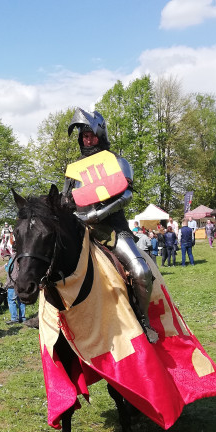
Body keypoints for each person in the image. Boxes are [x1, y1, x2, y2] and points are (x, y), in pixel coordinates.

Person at [62, 107, 158, 343]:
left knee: (140, 271)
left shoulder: (116, 161)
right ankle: (54, 317)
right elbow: (67, 200)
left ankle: (143, 320)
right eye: (83, 136)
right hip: (79, 228)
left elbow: (125, 196)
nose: (87, 139)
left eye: (91, 135)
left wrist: (96, 214)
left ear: (100, 135)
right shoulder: (74, 170)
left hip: (112, 229)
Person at [4, 256, 26, 324]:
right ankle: (22, 318)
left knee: (11, 301)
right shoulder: (22, 257)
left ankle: (14, 318)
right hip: (21, 282)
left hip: (13, 283)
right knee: (21, 301)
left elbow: (9, 269)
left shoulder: (13, 258)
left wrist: (6, 266)